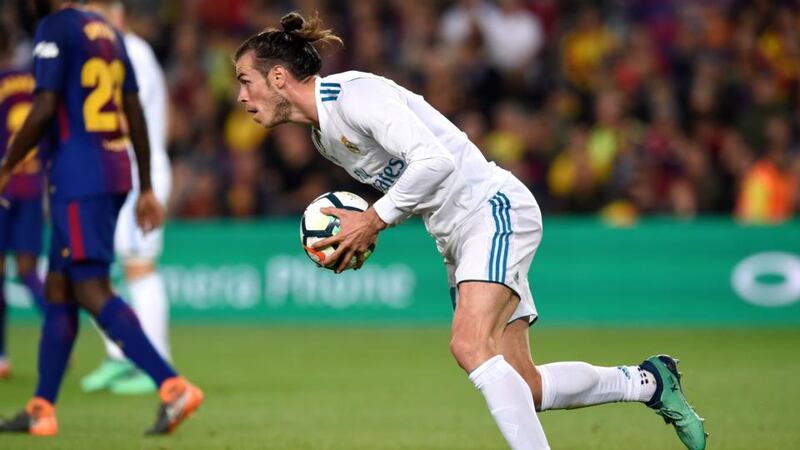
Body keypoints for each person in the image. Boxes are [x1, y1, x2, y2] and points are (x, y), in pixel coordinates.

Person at [233, 12, 707, 450]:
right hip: (456, 236)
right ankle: (649, 382)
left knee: (468, 344)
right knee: (524, 385)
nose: (241, 97)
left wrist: (374, 219)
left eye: (245, 80)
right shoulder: (324, 137)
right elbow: (414, 185)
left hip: (491, 210)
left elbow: (434, 162)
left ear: (279, 77)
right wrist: (367, 231)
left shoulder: (354, 97)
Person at [0, 1, 201, 436]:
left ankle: (172, 386)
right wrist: (145, 185)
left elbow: (45, 106)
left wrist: (7, 165)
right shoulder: (108, 32)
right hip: (112, 170)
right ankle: (41, 408)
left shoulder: (56, 27)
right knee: (59, 288)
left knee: (91, 286)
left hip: (79, 175)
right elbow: (134, 110)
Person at [79, 0, 173, 396]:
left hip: (138, 173)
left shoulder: (131, 53)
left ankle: (156, 364)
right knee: (100, 269)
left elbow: (121, 118)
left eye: (95, 14)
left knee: (139, 266)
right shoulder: (116, 53)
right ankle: (120, 356)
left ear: (116, 15)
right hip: (116, 172)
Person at [0, 30, 48, 380]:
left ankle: (1, 356)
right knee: (28, 271)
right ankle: (60, 331)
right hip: (32, 185)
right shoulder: (35, 83)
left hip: (3, 185)